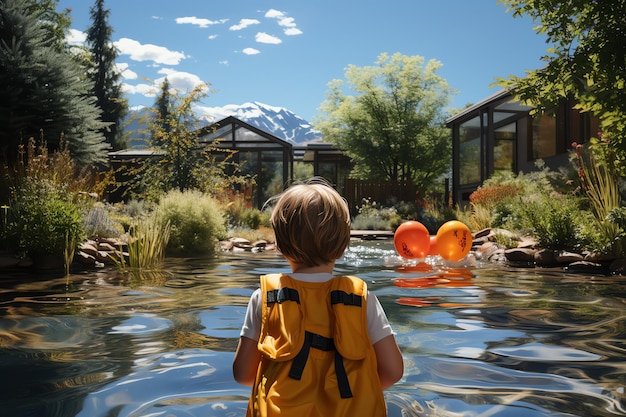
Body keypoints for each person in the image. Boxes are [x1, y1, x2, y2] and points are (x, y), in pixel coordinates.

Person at [233, 178, 403, 417]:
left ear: (280, 245)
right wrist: (360, 390)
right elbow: (393, 371)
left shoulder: (265, 298)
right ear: (343, 245)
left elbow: (243, 374)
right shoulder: (362, 299)